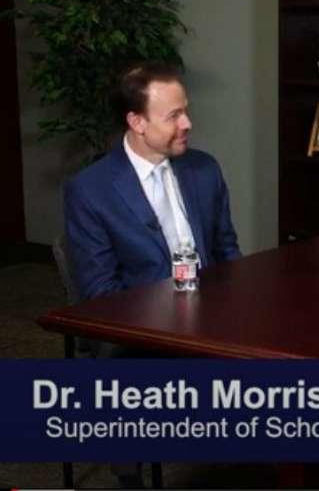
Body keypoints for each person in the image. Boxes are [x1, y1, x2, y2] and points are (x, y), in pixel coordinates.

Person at [64, 62, 242, 485]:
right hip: (136, 331)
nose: (188, 123)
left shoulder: (204, 169)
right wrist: (174, 321)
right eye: (174, 115)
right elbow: (101, 293)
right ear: (137, 122)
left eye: (186, 111)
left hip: (211, 318)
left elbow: (228, 253)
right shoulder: (90, 190)